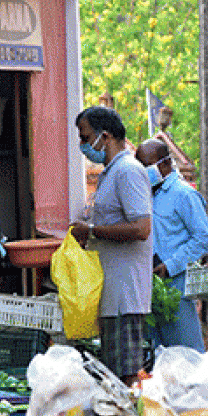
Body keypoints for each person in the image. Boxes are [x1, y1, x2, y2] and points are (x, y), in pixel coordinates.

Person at [69, 106, 152, 385]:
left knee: (125, 376)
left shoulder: (128, 171)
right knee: (115, 372)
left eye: (85, 137)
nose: (82, 145)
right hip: (113, 292)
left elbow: (141, 228)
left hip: (124, 294)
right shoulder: (111, 173)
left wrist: (93, 230)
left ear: (104, 136)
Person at [134, 138, 208, 351]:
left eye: (146, 167)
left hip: (177, 287)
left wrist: (171, 266)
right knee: (158, 359)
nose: (142, 172)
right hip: (150, 287)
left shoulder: (184, 194)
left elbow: (204, 238)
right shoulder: (145, 196)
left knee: (188, 357)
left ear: (166, 164)